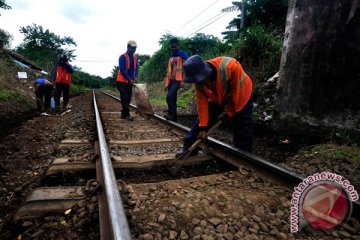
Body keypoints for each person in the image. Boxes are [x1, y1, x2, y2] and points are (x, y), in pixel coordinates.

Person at [176, 55, 253, 156]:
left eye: (199, 79)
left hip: (241, 94)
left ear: (205, 72)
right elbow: (202, 104)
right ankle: (189, 148)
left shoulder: (230, 67)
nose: (198, 83)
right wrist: (203, 127)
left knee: (242, 124)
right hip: (219, 96)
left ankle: (243, 156)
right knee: (201, 122)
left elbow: (235, 95)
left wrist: (228, 113)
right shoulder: (199, 81)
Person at [164, 38, 189, 122]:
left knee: (169, 96)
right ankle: (173, 116)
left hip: (178, 80)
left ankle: (172, 114)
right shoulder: (172, 56)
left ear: (178, 46)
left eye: (175, 46)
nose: (173, 48)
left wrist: (183, 80)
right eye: (172, 47)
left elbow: (186, 68)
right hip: (171, 80)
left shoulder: (183, 55)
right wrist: (167, 84)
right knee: (172, 97)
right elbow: (169, 70)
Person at [116, 40, 139, 121]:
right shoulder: (122, 57)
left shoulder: (135, 57)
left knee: (128, 98)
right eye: (132, 48)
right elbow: (122, 70)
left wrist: (136, 76)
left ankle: (123, 114)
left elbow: (137, 68)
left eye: (135, 48)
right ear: (128, 47)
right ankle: (127, 114)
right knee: (124, 97)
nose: (134, 50)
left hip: (129, 81)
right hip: (121, 81)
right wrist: (129, 79)